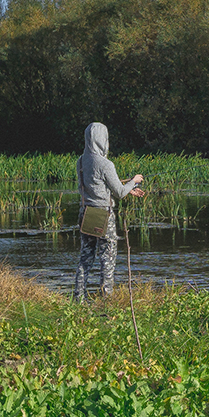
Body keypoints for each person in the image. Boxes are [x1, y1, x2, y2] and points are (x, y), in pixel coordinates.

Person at [74, 122, 145, 302]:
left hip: (85, 212)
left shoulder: (81, 161)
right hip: (103, 215)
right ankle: (106, 298)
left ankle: (78, 298)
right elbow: (119, 193)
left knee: (85, 257)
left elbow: (97, 183)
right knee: (108, 257)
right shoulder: (105, 163)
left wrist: (128, 185)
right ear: (102, 139)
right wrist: (134, 181)